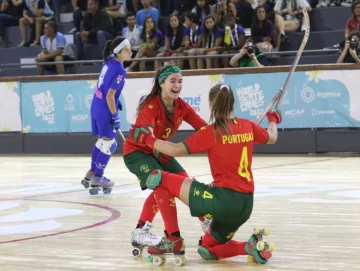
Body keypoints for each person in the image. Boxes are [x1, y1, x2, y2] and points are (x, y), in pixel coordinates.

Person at [131, 84, 281, 263]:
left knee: (160, 178)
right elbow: (272, 137)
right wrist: (273, 120)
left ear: (211, 104)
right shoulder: (247, 125)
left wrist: (147, 138)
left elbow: (175, 150)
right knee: (206, 249)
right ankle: (248, 247)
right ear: (232, 103)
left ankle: (173, 240)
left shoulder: (212, 132)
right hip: (246, 205)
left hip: (224, 200)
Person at [122, 64, 208, 249]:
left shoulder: (181, 106)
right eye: (173, 81)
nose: (177, 85)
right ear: (162, 84)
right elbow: (148, 137)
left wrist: (225, 135)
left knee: (186, 183)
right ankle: (166, 236)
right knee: (161, 184)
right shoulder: (151, 105)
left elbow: (203, 128)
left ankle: (207, 224)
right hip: (137, 153)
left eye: (180, 81)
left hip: (160, 151)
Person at [81, 36, 132, 195]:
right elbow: (110, 95)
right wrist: (115, 115)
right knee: (110, 144)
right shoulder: (120, 71)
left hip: (96, 106)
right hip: (105, 110)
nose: (131, 52)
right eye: (126, 50)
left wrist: (116, 102)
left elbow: (106, 90)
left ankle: (91, 172)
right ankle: (98, 177)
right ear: (118, 53)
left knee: (102, 141)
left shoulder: (109, 60)